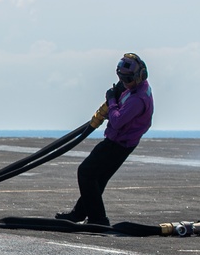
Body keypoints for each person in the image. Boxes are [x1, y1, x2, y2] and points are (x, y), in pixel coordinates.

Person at [56, 53, 154, 226]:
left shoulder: (137, 100)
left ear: (140, 76)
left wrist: (111, 101)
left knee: (86, 172)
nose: (124, 82)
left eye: (128, 79)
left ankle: (98, 219)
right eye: (121, 78)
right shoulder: (134, 88)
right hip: (122, 141)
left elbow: (117, 121)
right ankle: (79, 214)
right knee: (98, 178)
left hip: (118, 143)